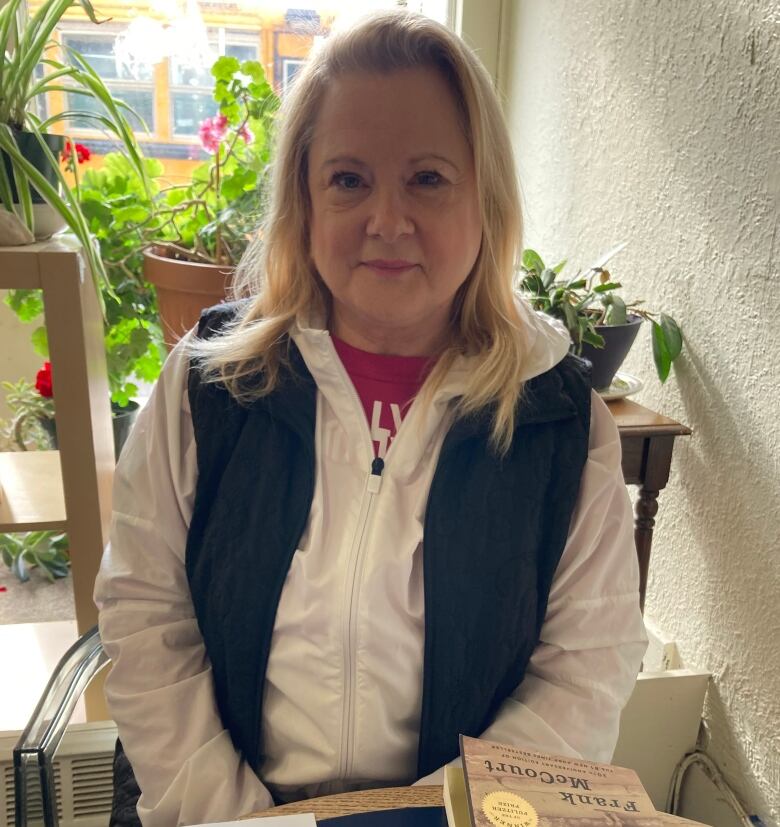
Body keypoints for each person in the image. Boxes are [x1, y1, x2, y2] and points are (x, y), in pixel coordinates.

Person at [94, 10, 647, 827]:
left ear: (486, 198)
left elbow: (585, 671)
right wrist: (244, 821)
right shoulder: (207, 385)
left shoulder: (562, 422)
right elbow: (145, 617)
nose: (387, 220)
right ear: (304, 201)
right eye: (348, 179)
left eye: (428, 177)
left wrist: (424, 819)